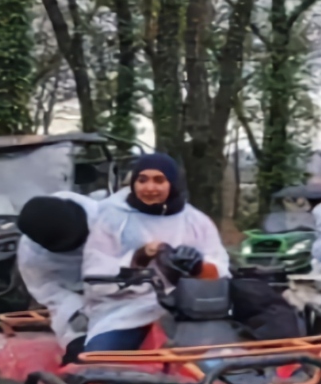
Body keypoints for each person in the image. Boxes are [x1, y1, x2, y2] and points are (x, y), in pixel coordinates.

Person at [78, 153, 230, 353]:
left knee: (222, 362)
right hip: (127, 312)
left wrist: (197, 267)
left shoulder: (196, 221)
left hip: (188, 312)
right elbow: (94, 277)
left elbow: (221, 271)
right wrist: (137, 259)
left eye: (159, 180)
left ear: (173, 183)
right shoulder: (112, 220)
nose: (150, 188)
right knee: (98, 361)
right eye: (142, 180)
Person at [15, 193, 95, 362]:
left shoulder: (103, 212)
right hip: (76, 295)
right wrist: (76, 314)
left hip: (129, 285)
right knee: (82, 354)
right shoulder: (32, 259)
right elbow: (50, 293)